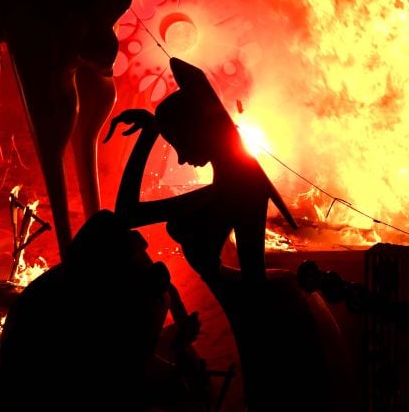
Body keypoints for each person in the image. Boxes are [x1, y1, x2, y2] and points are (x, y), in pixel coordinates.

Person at [108, 57, 343, 410]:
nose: (183, 158)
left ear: (199, 131)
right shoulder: (228, 185)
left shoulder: (239, 186)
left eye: (180, 144)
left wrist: (153, 131)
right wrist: (153, 131)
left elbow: (253, 280)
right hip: (257, 306)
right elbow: (126, 214)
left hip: (273, 313)